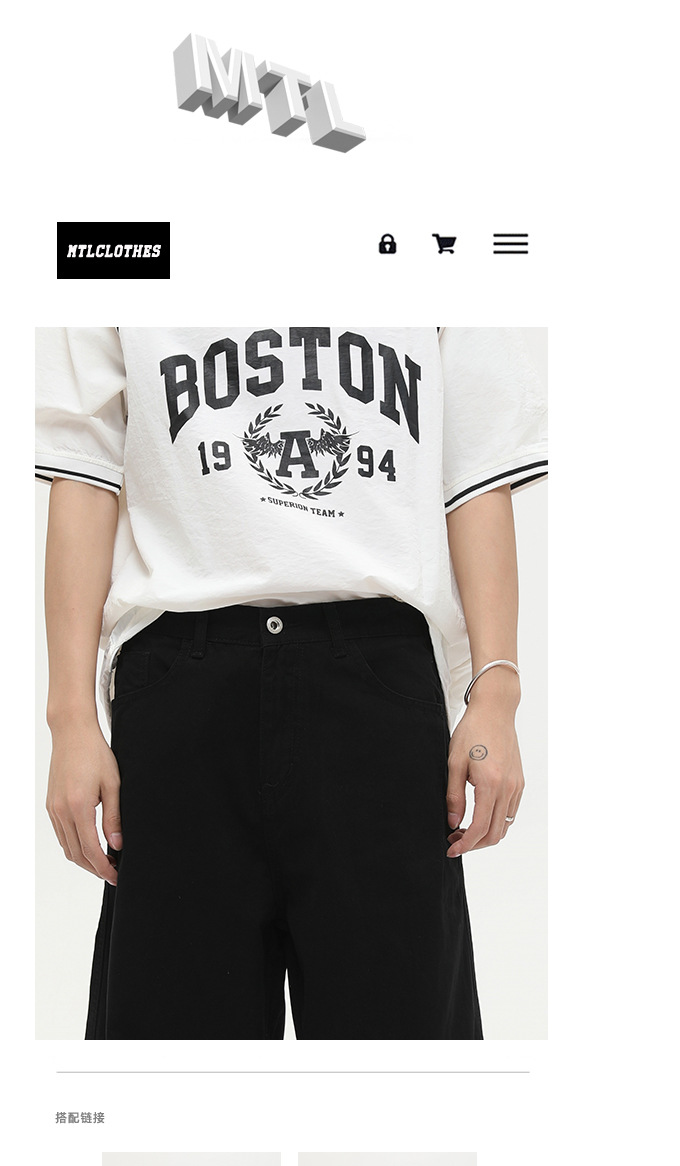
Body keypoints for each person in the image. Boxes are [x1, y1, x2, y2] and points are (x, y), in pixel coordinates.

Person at [36, 326, 547, 1040]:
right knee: (166, 1072)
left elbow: (477, 469)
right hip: (181, 680)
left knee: (406, 1070)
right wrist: (70, 717)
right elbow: (86, 466)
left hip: (377, 682)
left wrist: (497, 692)